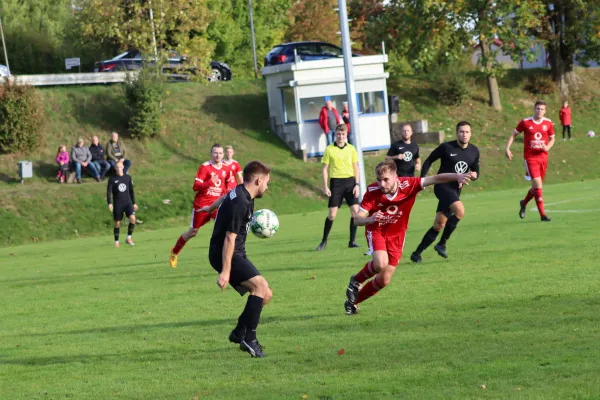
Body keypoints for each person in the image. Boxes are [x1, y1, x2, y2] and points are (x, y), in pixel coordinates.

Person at [344, 160, 471, 315]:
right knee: (381, 263)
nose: (381, 184)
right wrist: (370, 219)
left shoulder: (409, 185)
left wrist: (457, 176)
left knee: (384, 280)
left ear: (395, 177)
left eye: (385, 180)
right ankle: (356, 280)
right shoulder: (372, 191)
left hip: (397, 235)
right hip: (376, 230)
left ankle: (353, 302)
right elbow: (357, 219)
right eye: (379, 180)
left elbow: (436, 179)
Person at [201, 161, 273, 357]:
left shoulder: (242, 193)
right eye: (267, 182)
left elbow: (224, 196)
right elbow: (229, 238)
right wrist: (225, 271)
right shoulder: (240, 202)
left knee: (266, 295)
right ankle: (249, 339)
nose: (267, 186)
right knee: (260, 287)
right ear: (258, 180)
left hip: (235, 252)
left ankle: (239, 332)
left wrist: (210, 208)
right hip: (226, 254)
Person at [410, 121, 480, 263]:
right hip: (442, 186)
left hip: (455, 190)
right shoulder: (446, 147)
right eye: (461, 131)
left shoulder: (474, 151)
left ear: (471, 134)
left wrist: (474, 176)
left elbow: (476, 171)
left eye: (467, 132)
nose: (464, 134)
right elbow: (429, 160)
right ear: (457, 133)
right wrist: (422, 180)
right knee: (460, 211)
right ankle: (442, 244)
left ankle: (416, 253)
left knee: (439, 224)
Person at [169, 144, 230, 268]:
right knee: (192, 232)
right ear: (211, 154)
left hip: (217, 204)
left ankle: (226, 258)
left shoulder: (226, 168)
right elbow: (196, 186)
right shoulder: (205, 167)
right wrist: (209, 182)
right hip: (201, 205)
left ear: (223, 154)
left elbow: (227, 184)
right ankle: (175, 252)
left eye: (220, 153)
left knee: (225, 228)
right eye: (215, 153)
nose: (217, 155)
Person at [505, 100, 555, 222]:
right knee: (538, 185)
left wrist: (547, 147)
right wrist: (507, 148)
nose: (540, 111)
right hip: (530, 158)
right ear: (534, 109)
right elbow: (513, 135)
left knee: (536, 187)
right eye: (538, 109)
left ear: (545, 111)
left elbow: (552, 138)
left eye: (542, 109)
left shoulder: (548, 123)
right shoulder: (526, 122)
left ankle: (524, 203)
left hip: (543, 157)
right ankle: (543, 215)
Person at [316, 124, 360, 251]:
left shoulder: (351, 149)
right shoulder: (329, 149)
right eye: (338, 134)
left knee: (355, 213)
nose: (341, 136)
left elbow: (356, 167)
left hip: (350, 182)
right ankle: (324, 241)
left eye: (343, 134)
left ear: (346, 135)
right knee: (332, 214)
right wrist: (325, 186)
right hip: (336, 183)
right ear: (335, 135)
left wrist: (357, 184)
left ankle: (352, 241)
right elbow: (325, 169)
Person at [107, 160, 138, 247]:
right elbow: (108, 192)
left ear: (123, 167)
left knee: (133, 219)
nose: (119, 169)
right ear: (115, 168)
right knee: (117, 223)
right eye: (117, 167)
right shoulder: (112, 179)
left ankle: (128, 237)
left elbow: (131, 191)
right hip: (118, 204)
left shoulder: (128, 177)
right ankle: (116, 242)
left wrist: (134, 203)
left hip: (128, 203)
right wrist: (109, 203)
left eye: (120, 167)